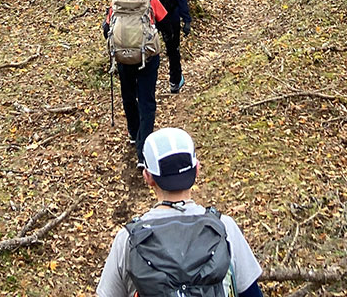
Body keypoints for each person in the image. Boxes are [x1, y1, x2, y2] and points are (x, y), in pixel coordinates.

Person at [96, 127, 264, 297]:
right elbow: (252, 294)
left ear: (147, 177)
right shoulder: (225, 228)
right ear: (197, 169)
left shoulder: (127, 240)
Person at [104, 0, 167, 168]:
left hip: (123, 57)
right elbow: (164, 21)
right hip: (147, 57)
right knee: (147, 100)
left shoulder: (117, 0)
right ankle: (143, 151)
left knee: (129, 95)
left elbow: (106, 28)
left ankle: (133, 132)